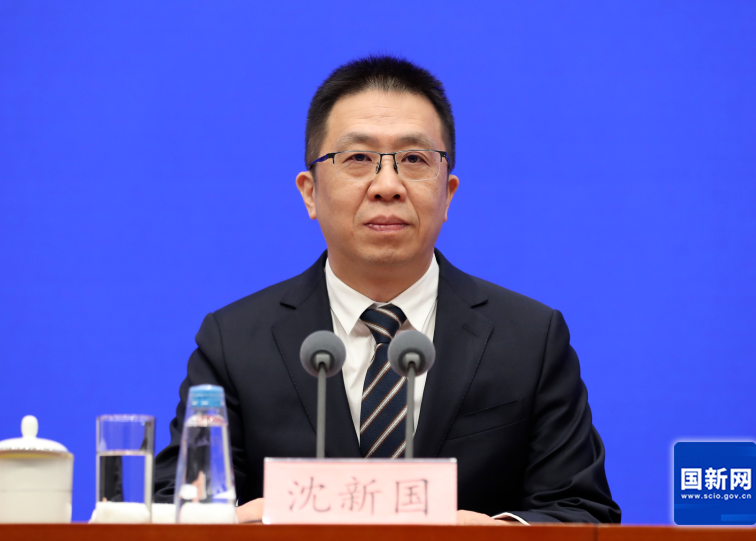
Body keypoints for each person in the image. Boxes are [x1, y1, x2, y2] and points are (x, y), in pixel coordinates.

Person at [153, 55, 621, 525]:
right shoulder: (234, 343)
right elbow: (178, 504)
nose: (387, 185)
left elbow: (582, 512)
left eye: (414, 159)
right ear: (310, 192)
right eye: (358, 158)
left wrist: (491, 534)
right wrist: (241, 521)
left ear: (448, 193)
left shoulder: (530, 339)